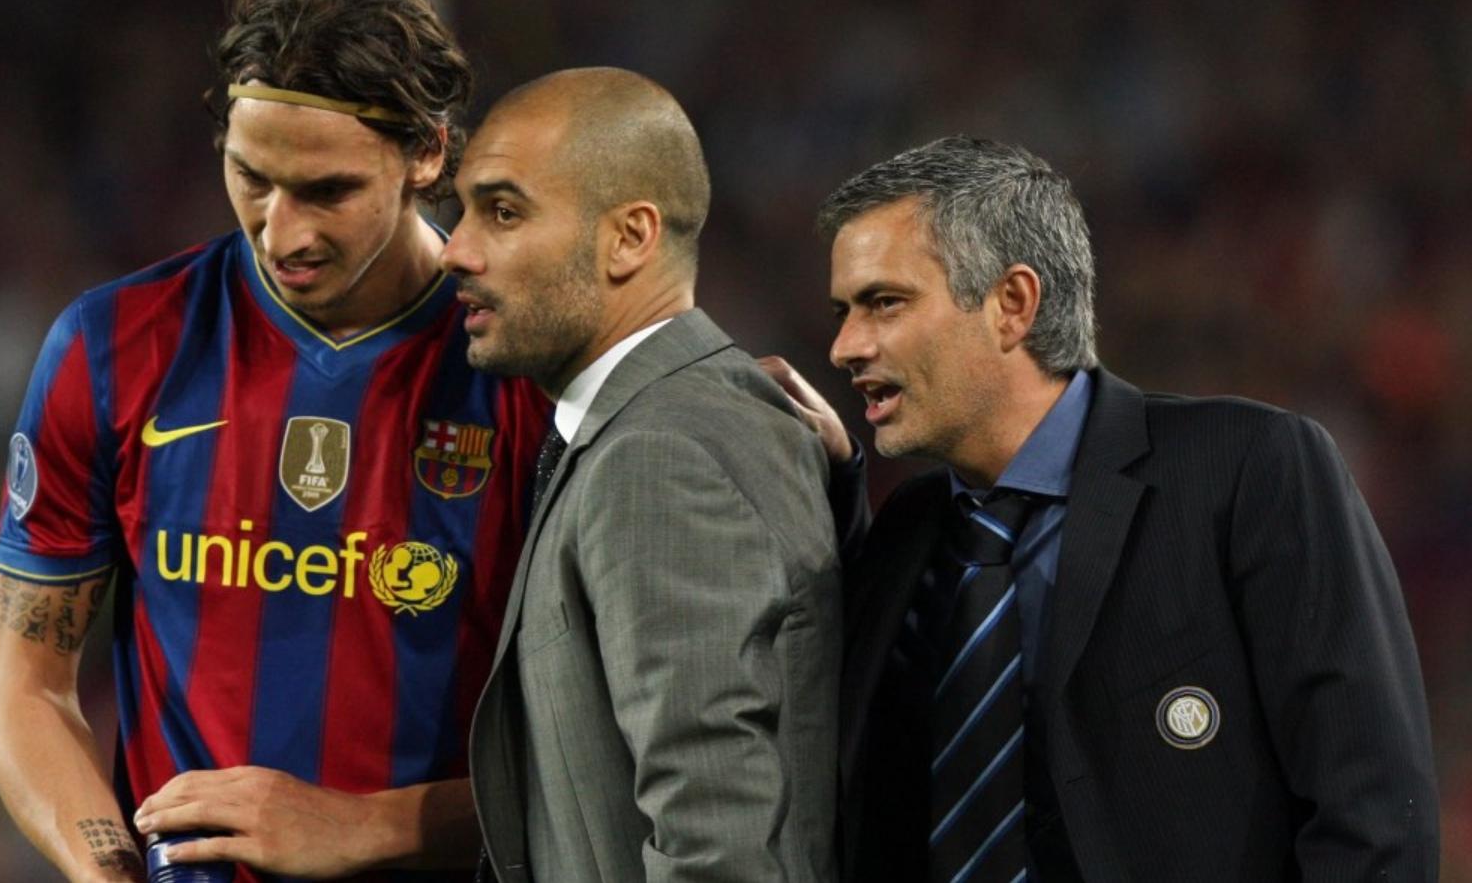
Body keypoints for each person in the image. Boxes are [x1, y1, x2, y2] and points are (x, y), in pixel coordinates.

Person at [0, 0, 550, 879]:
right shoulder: (114, 347)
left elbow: (607, 742)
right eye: (252, 177)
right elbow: (26, 685)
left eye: (328, 190)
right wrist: (106, 867)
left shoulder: (534, 371)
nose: (282, 231)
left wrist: (370, 826)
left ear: (428, 153)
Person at [794, 136, 1438, 881]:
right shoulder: (908, 533)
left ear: (1012, 305)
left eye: (884, 303)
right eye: (844, 311)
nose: (844, 346)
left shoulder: (1247, 471)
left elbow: (1376, 818)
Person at [444, 67, 842, 883]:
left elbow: (719, 842)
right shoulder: (651, 425)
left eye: (503, 211)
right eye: (461, 212)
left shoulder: (661, 454)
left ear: (630, 237)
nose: (456, 249)